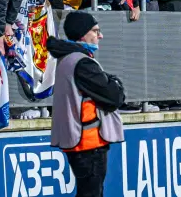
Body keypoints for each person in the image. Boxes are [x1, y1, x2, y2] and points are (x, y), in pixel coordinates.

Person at [48, 11, 125, 197]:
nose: (100, 36)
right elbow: (114, 97)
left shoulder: (67, 59)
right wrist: (114, 83)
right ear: (83, 34)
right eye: (95, 31)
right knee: (91, 193)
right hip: (88, 142)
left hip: (79, 141)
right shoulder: (82, 63)